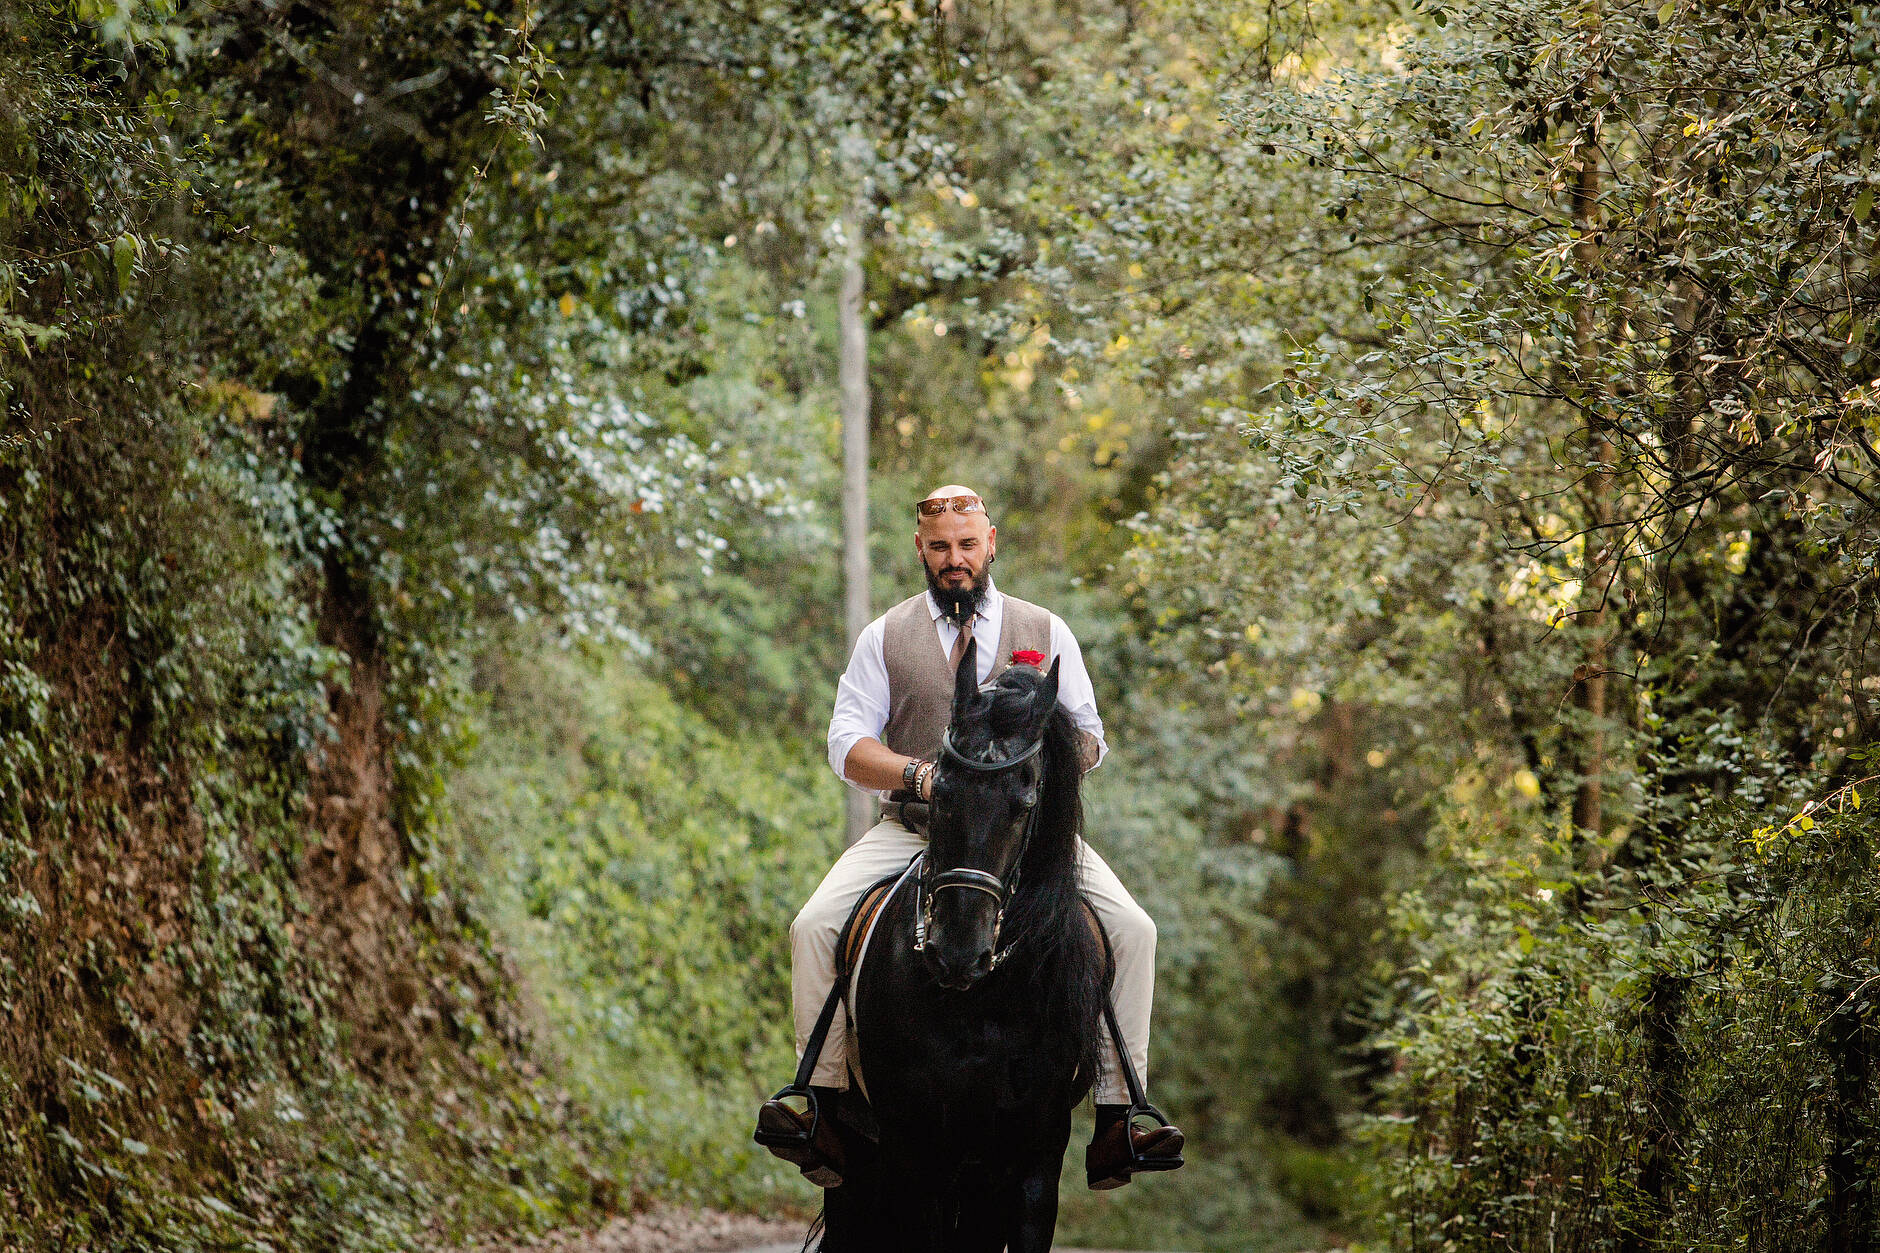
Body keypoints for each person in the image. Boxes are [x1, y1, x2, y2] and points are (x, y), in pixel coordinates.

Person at [755, 483, 1185, 1191]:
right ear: (920, 550)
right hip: (916, 828)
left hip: (1020, 839)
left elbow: (1090, 738)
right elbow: (847, 745)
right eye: (940, 548)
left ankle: (1120, 1115)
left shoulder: (1045, 630)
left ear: (990, 545)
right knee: (813, 925)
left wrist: (1023, 775)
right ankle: (819, 1103)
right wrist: (923, 776)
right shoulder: (885, 636)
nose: (954, 559)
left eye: (966, 545)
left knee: (1135, 930)